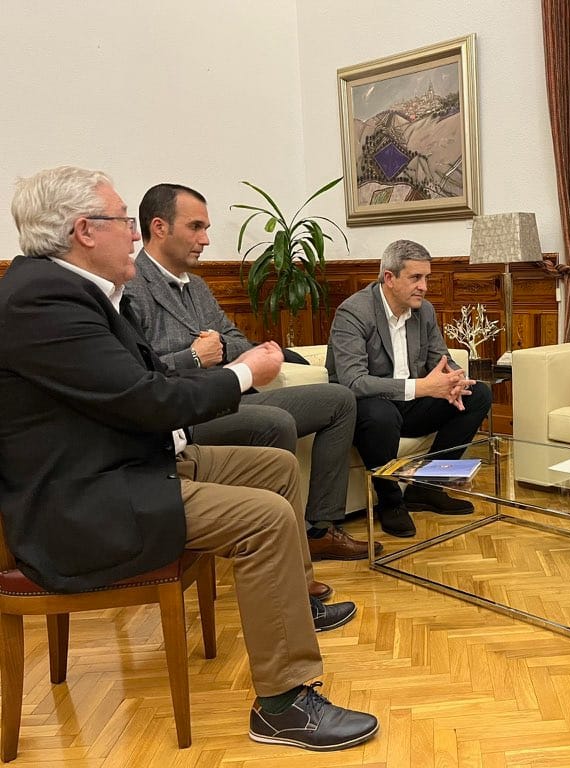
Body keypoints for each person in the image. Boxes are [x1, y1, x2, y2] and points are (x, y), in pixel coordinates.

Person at [0, 166, 378, 751]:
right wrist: (240, 373)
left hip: (126, 462)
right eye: (124, 221)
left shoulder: (68, 292)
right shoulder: (43, 302)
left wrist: (236, 366)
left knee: (275, 467)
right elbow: (143, 399)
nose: (132, 235)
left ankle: (294, 603)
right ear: (83, 231)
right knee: (266, 517)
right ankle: (282, 702)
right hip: (86, 501)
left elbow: (137, 378)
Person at [125, 183, 379, 567]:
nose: (206, 239)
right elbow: (139, 373)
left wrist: (222, 350)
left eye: (205, 228)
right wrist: (193, 358)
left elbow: (236, 340)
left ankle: (320, 530)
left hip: (234, 395)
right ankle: (277, 548)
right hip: (187, 414)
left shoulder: (196, 286)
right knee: (274, 420)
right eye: (196, 227)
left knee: (340, 400)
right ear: (159, 227)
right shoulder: (132, 287)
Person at [326, 239, 492, 537]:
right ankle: (390, 502)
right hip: (367, 408)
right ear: (389, 278)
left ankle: (426, 487)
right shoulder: (354, 312)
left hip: (411, 403)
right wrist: (422, 387)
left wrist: (454, 379)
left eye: (427, 277)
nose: (424, 286)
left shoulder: (424, 312)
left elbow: (441, 358)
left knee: (478, 393)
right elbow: (354, 381)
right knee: (380, 414)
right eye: (416, 278)